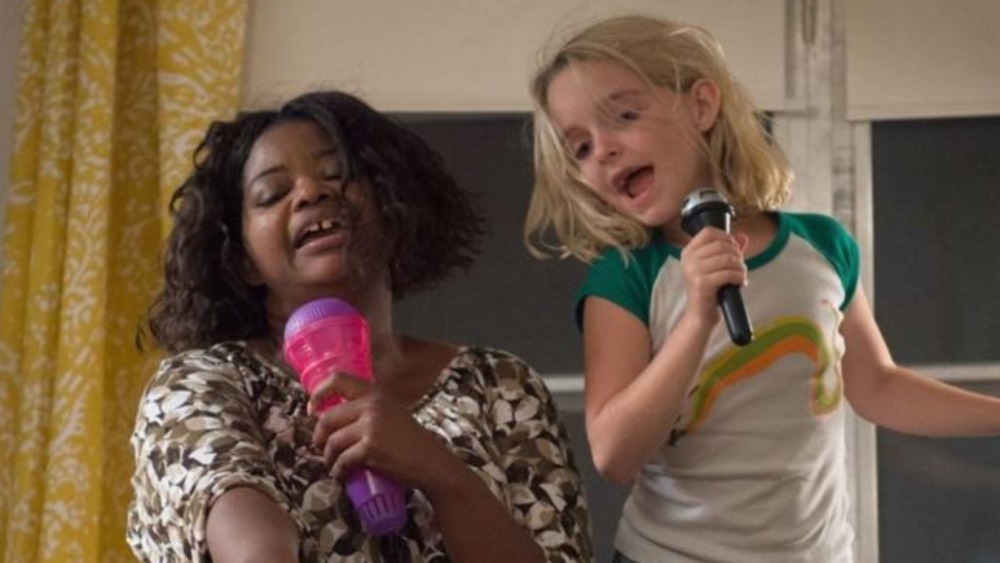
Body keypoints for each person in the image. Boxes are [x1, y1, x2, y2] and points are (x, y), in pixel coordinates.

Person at [524, 14, 1000, 563]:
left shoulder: (822, 245)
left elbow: (878, 387)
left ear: (702, 105)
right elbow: (615, 454)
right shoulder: (625, 275)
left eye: (625, 115)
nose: (603, 149)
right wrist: (697, 318)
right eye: (580, 147)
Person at [127, 90, 594, 562]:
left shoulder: (500, 386)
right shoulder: (201, 385)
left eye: (337, 174)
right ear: (242, 260)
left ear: (393, 206)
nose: (311, 192)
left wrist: (442, 474)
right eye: (273, 194)